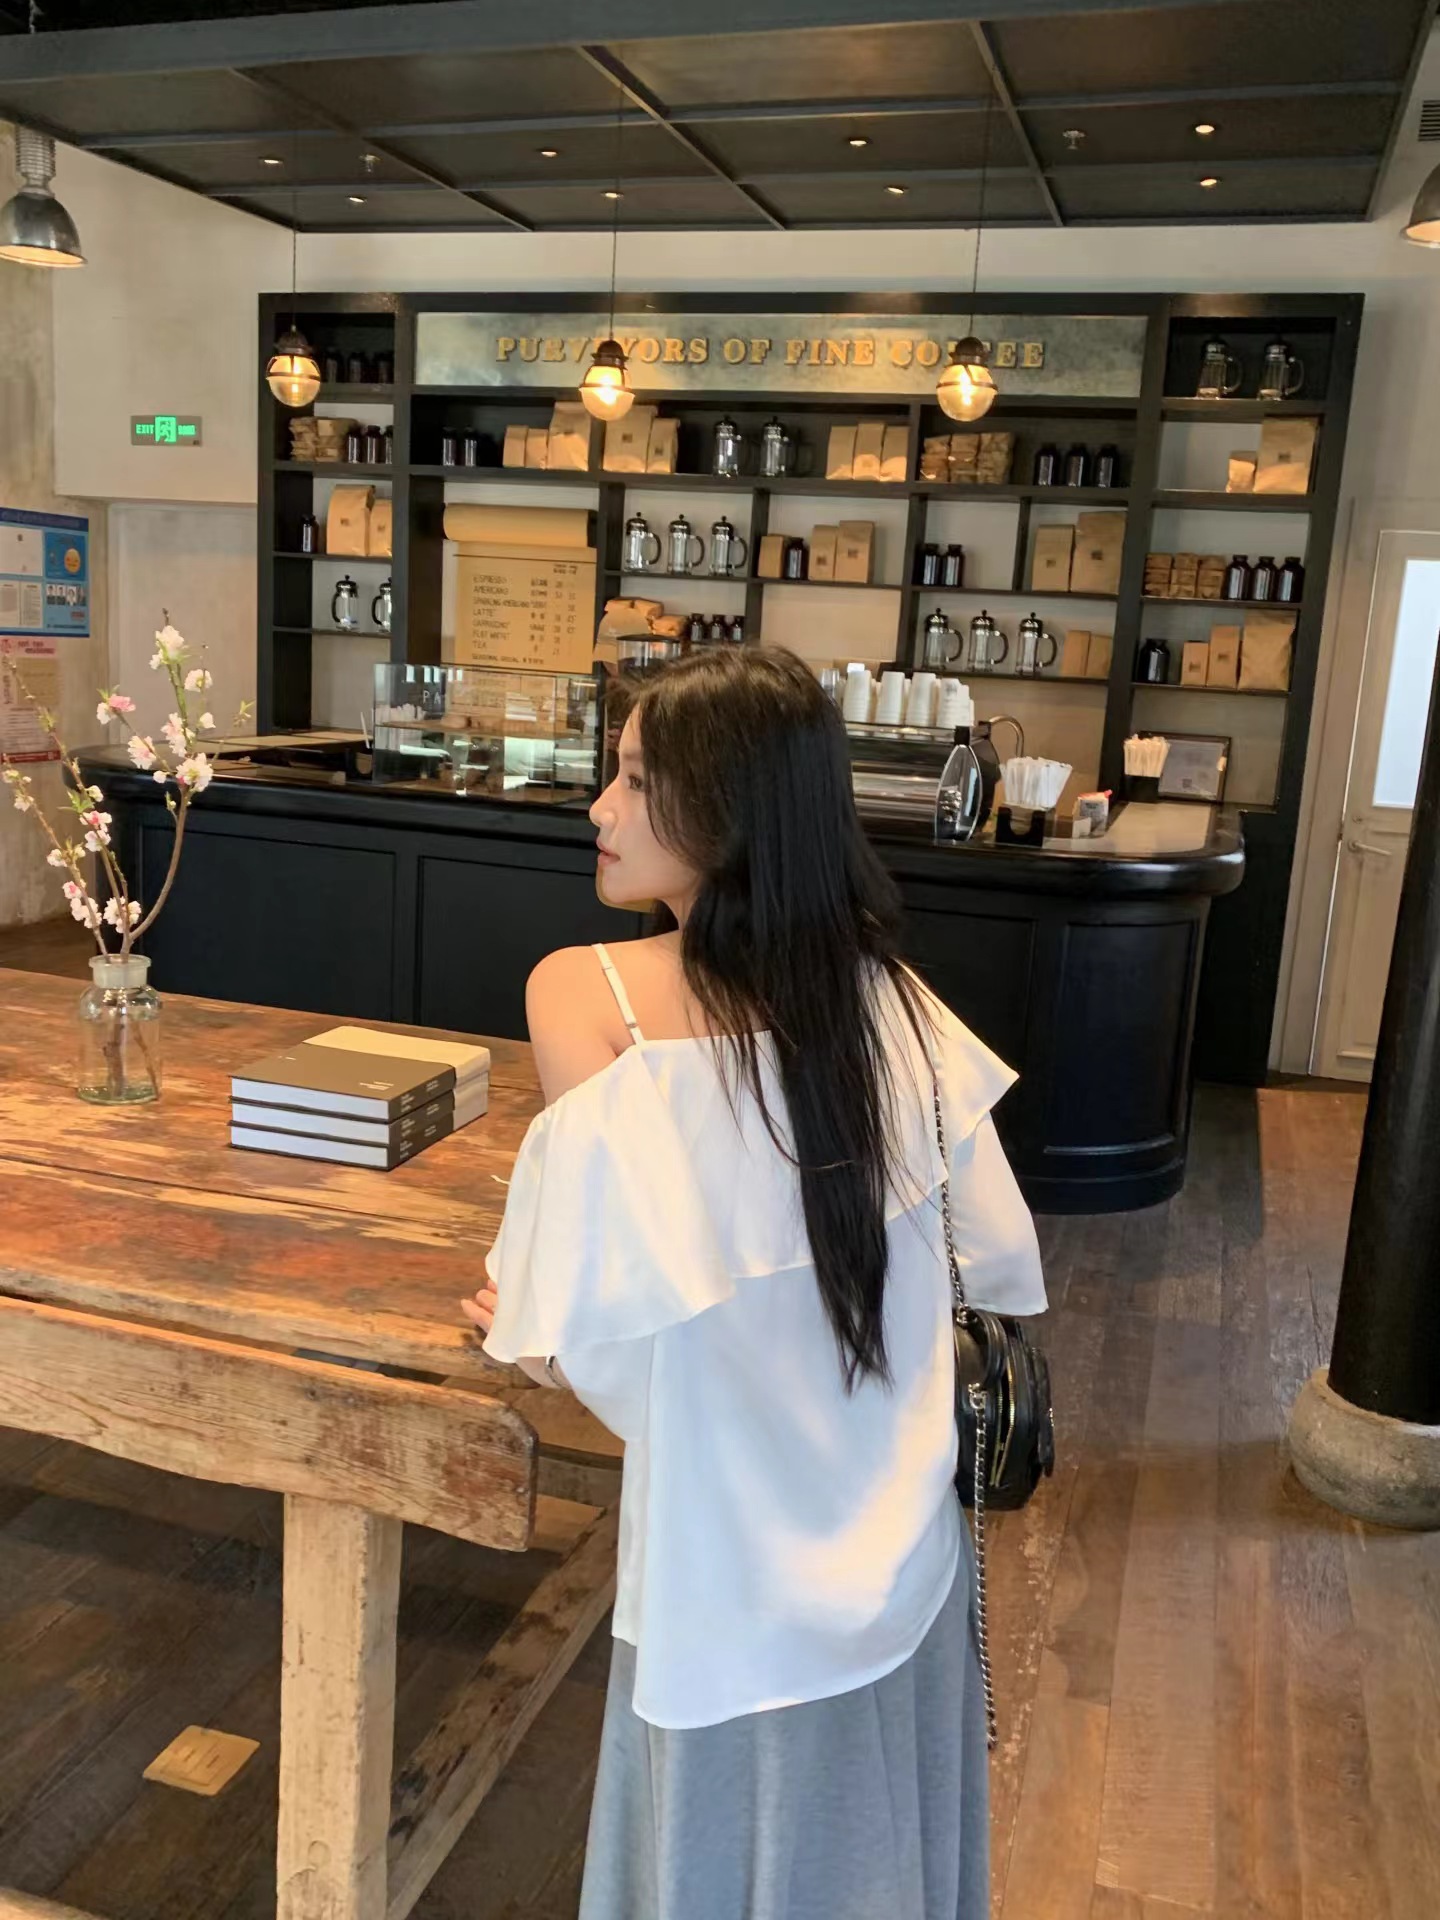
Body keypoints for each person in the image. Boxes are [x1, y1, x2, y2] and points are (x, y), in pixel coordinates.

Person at [463, 647, 1045, 1920]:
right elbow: (992, 1265)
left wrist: (534, 1337)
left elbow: (612, 1336)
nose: (600, 809)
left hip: (725, 1570)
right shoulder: (897, 1006)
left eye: (633, 780)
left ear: (728, 811)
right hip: (903, 1558)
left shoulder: (586, 993)